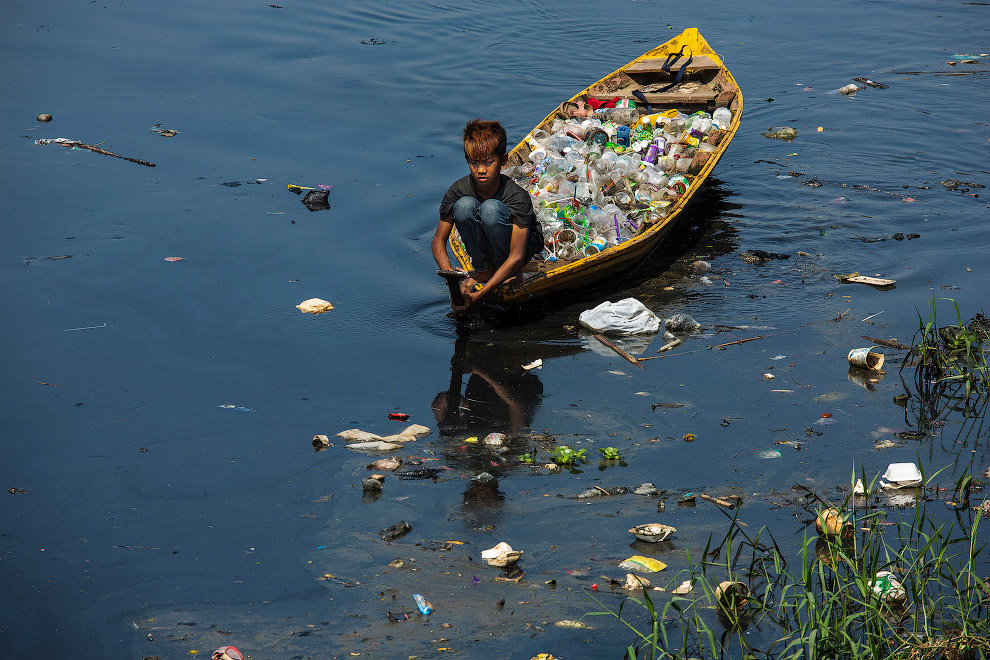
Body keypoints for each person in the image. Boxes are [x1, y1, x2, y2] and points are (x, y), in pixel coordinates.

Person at [432, 119, 543, 312]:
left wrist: (478, 295)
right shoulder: (458, 190)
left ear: (504, 160)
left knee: (490, 209)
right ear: (467, 161)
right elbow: (438, 241)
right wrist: (451, 278)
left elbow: (517, 255)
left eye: (488, 162)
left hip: (519, 251)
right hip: (487, 240)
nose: (481, 169)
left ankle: (505, 271)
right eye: (474, 162)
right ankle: (483, 270)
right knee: (464, 206)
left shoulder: (517, 196)